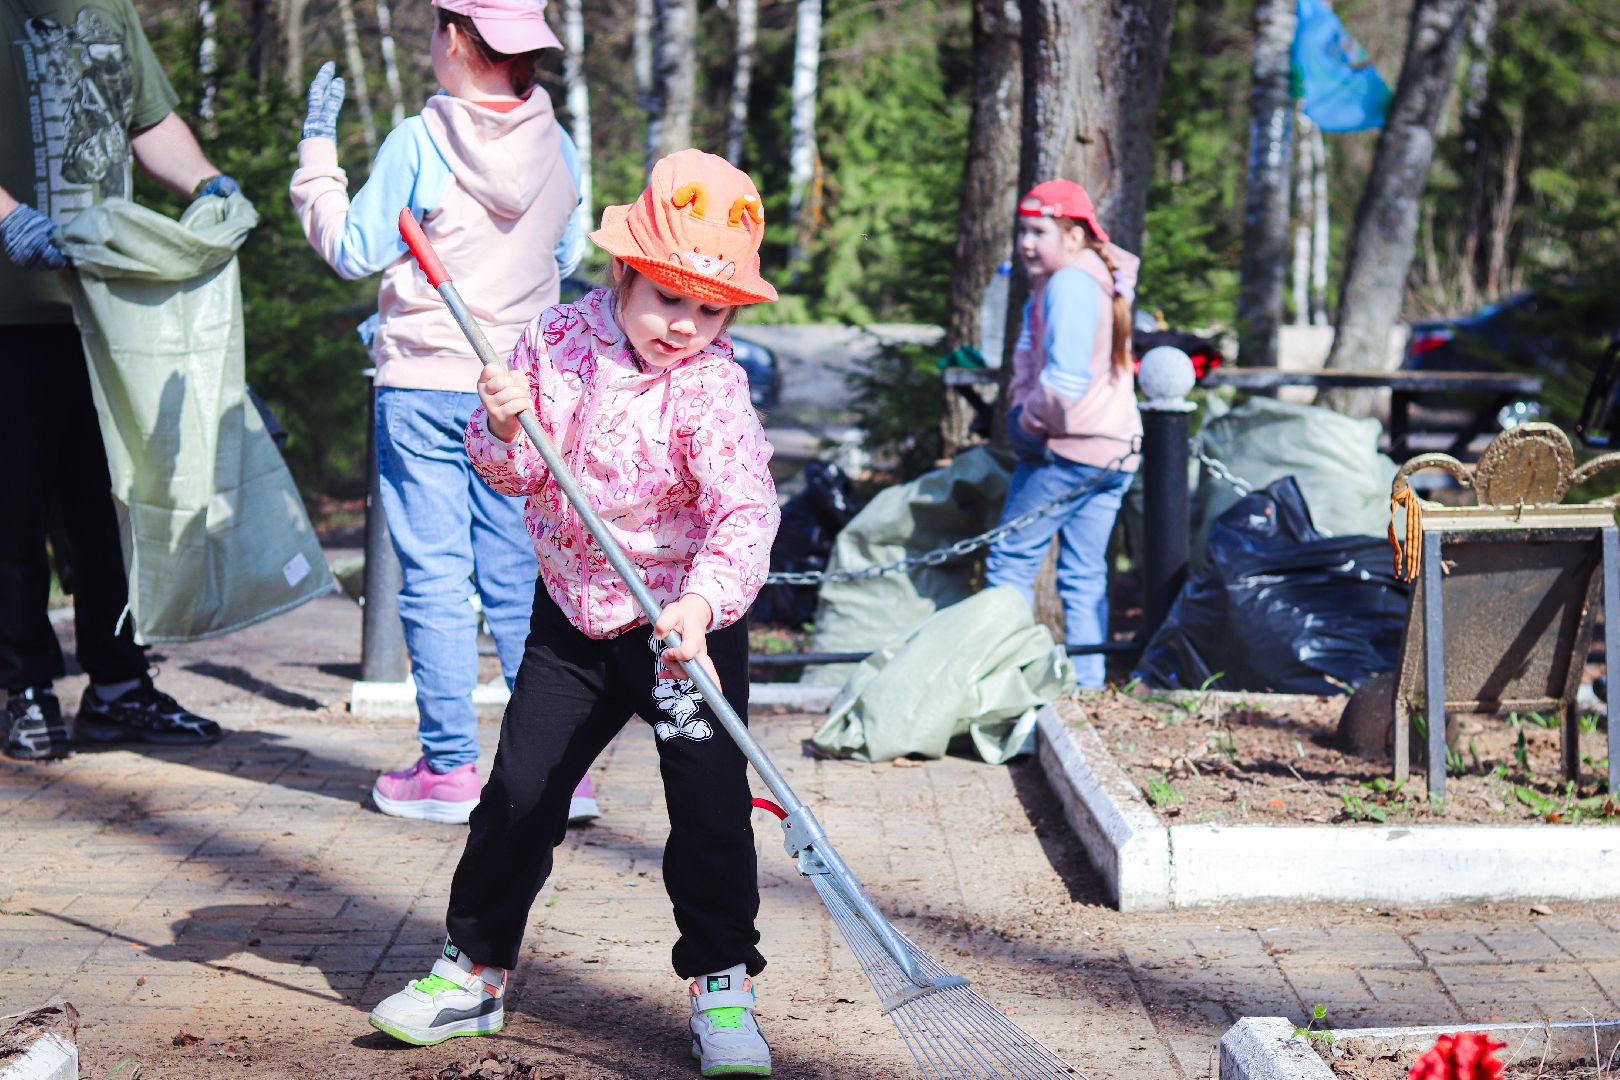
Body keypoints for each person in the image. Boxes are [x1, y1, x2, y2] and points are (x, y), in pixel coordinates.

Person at [367, 149, 782, 1079]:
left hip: (686, 628)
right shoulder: (553, 343)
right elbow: (507, 473)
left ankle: (721, 985)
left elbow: (744, 510)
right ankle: (473, 968)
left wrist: (703, 604)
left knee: (711, 807)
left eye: (710, 309)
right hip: (577, 614)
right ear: (622, 272)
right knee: (519, 789)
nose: (686, 326)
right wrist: (507, 424)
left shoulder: (714, 385)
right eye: (669, 299)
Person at [288, 0, 600, 825]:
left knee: (433, 571)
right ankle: (560, 772)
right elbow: (567, 254)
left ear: (456, 40)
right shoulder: (560, 144)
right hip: (519, 387)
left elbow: (354, 247)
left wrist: (317, 151)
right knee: (517, 573)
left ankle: (452, 768)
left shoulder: (420, 141)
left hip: (426, 380)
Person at [0, 0, 236, 761]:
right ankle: (24, 691)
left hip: (108, 310)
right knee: (10, 516)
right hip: (8, 312)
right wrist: (7, 217)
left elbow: (147, 122)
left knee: (112, 511)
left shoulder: (107, 7)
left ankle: (118, 689)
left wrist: (208, 184)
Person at [984, 179, 1141, 689]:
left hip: (1068, 451)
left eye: (1040, 231)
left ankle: (1007, 682)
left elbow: (1066, 380)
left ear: (1073, 235)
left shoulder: (1072, 283)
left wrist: (1026, 421)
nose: (1027, 243)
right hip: (1112, 449)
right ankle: (1090, 690)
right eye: (1022, 231)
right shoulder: (1095, 276)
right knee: (1083, 574)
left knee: (1010, 559)